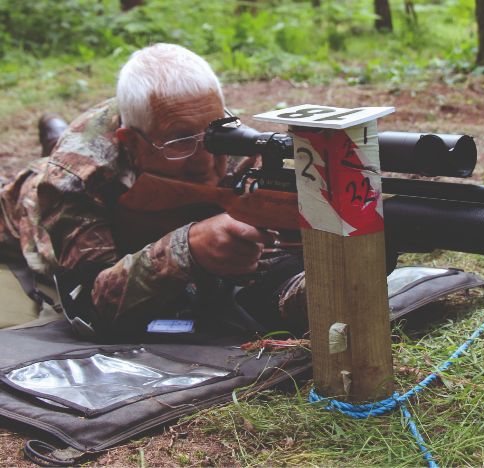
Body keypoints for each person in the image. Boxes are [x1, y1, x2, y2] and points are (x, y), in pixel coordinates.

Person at [0, 43, 306, 336]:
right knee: (29, 192)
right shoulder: (74, 177)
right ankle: (52, 147)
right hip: (31, 209)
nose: (206, 162)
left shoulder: (225, 136)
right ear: (132, 143)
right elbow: (88, 306)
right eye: (180, 142)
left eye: (213, 135)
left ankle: (55, 136)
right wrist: (187, 247)